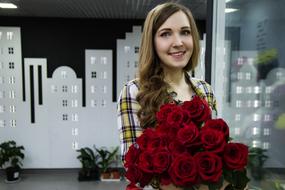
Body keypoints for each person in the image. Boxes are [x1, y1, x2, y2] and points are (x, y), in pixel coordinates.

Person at [117, 2, 226, 190]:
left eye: (185, 32)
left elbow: (215, 154)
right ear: (152, 42)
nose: (178, 42)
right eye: (165, 34)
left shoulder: (205, 90)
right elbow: (133, 164)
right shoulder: (134, 91)